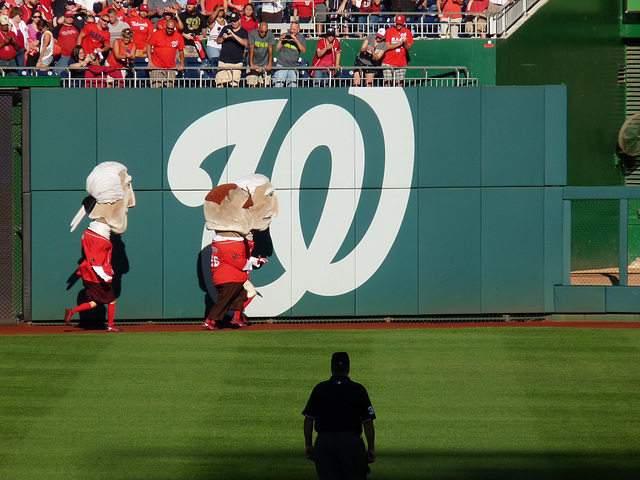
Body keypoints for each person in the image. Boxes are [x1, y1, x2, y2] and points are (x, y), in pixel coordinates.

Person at [65, 162, 136, 333]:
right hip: (96, 274)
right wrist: (105, 275)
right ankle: (111, 325)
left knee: (94, 302)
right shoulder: (100, 240)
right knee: (111, 300)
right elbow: (95, 259)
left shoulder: (90, 234)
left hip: (88, 272)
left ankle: (72, 311)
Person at [202, 183, 266, 330]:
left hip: (230, 277)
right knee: (224, 301)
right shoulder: (229, 243)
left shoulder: (227, 241)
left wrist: (256, 260)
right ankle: (210, 320)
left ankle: (236, 318)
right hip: (229, 277)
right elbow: (239, 262)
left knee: (242, 295)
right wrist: (253, 262)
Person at [303, 352, 376, 480]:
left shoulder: (320, 389)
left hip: (325, 443)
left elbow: (308, 419)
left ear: (331, 368)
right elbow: (368, 422)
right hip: (351, 443)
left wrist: (308, 444)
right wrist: (371, 448)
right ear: (348, 368)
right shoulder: (358, 390)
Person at [232, 173, 279, 323]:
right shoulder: (233, 237)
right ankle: (226, 316)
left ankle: (237, 315)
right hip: (232, 274)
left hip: (240, 273)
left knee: (243, 294)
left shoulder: (244, 236)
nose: (275, 210)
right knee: (249, 293)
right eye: (269, 196)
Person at [146, 18, 184, 87]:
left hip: (171, 67)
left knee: (169, 89)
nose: (170, 30)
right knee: (156, 88)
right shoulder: (157, 34)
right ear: (165, 27)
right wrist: (150, 61)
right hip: (157, 66)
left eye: (172, 29)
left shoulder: (178, 36)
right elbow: (149, 45)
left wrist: (181, 64)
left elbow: (181, 50)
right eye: (168, 28)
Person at [215, 11, 247, 87]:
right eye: (232, 21)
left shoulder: (243, 31)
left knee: (234, 86)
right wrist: (224, 37)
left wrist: (233, 35)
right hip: (224, 62)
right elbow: (218, 41)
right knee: (219, 85)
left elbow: (245, 43)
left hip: (236, 63)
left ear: (239, 20)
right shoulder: (226, 28)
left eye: (235, 21)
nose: (233, 23)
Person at [273, 20, 306, 87]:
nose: (292, 31)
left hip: (293, 66)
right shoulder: (285, 35)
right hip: (282, 64)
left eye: (294, 29)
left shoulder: (301, 38)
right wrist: (280, 41)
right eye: (291, 29)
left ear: (298, 29)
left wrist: (296, 41)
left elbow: (304, 51)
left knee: (292, 86)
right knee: (278, 85)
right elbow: (277, 49)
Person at [382, 14, 412, 86]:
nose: (398, 25)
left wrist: (404, 43)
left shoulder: (407, 31)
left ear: (404, 23)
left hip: (401, 62)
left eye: (400, 24)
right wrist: (399, 44)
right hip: (388, 61)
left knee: (399, 84)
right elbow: (387, 46)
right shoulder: (389, 31)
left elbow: (409, 48)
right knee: (388, 83)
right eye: (397, 23)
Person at [246, 20, 274, 87]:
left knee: (263, 85)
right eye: (262, 32)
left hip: (264, 63)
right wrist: (252, 64)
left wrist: (270, 64)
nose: (263, 33)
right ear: (258, 28)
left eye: (265, 32)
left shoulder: (270, 35)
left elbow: (270, 50)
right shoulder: (252, 34)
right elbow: (251, 49)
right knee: (252, 84)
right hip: (254, 62)